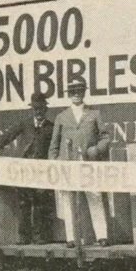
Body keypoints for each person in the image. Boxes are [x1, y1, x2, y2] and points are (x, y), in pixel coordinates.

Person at [48, 80, 111, 246]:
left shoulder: (94, 114)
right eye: (73, 91)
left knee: (94, 196)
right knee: (68, 200)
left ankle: (102, 236)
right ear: (69, 94)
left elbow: (105, 137)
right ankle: (71, 238)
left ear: (84, 92)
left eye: (79, 91)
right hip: (67, 164)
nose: (76, 94)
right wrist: (54, 163)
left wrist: (96, 149)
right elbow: (54, 145)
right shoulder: (61, 117)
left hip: (88, 163)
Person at [0, 92, 55, 244]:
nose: (38, 112)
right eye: (36, 109)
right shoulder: (24, 124)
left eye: (41, 109)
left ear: (45, 109)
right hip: (24, 170)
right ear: (32, 109)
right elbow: (9, 135)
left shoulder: (51, 127)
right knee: (24, 203)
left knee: (40, 203)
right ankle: (24, 237)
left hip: (42, 171)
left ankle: (39, 237)